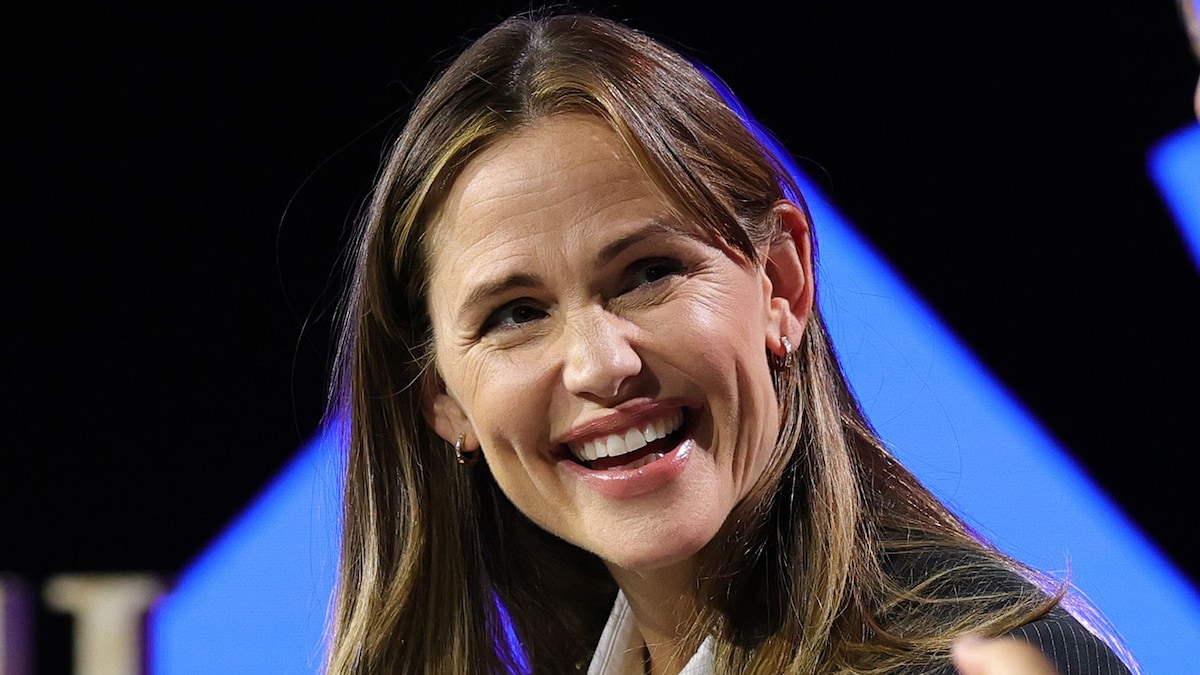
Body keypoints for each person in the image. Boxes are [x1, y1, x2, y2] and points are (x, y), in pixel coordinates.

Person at [322, 9, 1137, 674]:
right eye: (515, 314)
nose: (603, 362)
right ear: (442, 401)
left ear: (781, 283)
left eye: (648, 272)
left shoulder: (995, 661)